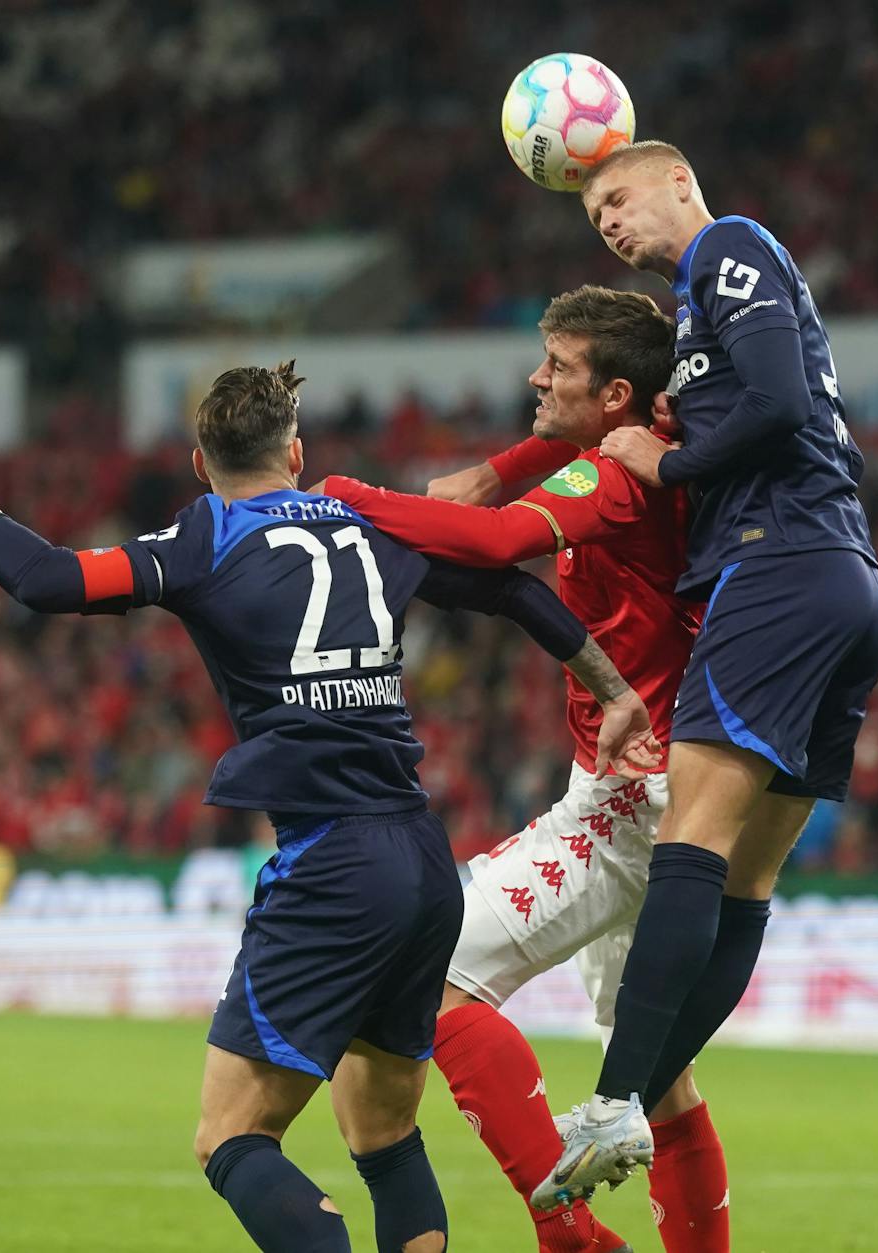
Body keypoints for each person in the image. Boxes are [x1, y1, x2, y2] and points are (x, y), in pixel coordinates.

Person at [0, 362, 658, 1253]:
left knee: (230, 1136)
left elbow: (48, 579)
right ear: (296, 454)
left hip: (332, 865)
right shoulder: (371, 520)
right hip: (421, 862)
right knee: (383, 1134)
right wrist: (613, 689)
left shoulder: (206, 535)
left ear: (200, 465)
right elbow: (514, 588)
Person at [320, 285, 738, 1253]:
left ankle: (571, 1234)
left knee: (429, 976)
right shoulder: (654, 442)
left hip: (633, 799)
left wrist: (337, 495)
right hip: (670, 780)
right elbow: (548, 462)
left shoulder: (619, 477)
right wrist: (501, 466)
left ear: (617, 396)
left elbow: (498, 540)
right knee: (661, 1080)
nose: (534, 376)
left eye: (558, 366)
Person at [538, 141, 878, 1208]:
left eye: (618, 196)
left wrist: (671, 461)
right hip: (843, 580)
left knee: (691, 839)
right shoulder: (698, 313)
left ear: (680, 184)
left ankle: (614, 1098)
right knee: (746, 879)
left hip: (774, 564)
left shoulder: (728, 248)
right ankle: (632, 1098)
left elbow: (779, 401)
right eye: (592, 211)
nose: (607, 219)